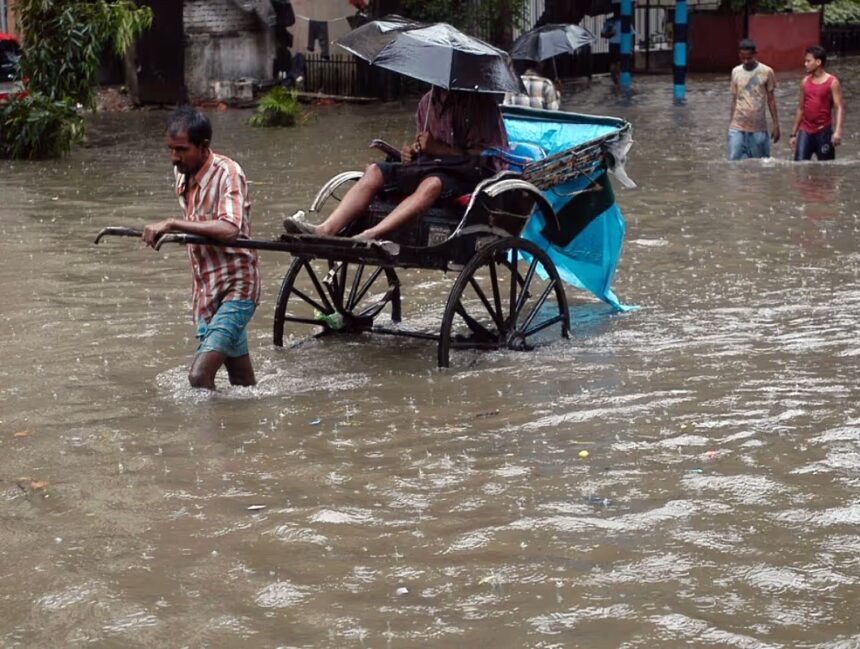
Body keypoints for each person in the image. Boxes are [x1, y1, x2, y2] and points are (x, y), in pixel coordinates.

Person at [283, 87, 508, 241]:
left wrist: (438, 149)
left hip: (467, 174)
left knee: (432, 183)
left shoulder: (481, 105)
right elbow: (423, 146)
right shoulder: (427, 102)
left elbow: (483, 156)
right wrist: (412, 151)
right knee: (374, 171)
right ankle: (325, 229)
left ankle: (372, 234)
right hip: (429, 166)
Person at [142, 107, 261, 390]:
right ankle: (252, 416)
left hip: (237, 287)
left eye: (182, 150)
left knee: (199, 376)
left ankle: (210, 422)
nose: (174, 157)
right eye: (171, 149)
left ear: (204, 146)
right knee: (243, 383)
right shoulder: (182, 174)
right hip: (206, 290)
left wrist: (173, 224)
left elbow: (230, 229)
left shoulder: (228, 173)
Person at [728, 38, 780, 160]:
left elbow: (771, 100)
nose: (746, 61)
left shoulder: (767, 72)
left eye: (749, 58)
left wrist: (776, 124)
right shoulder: (736, 72)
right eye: (743, 58)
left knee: (758, 162)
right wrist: (730, 123)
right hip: (737, 126)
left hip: (758, 126)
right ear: (739, 55)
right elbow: (735, 99)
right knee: (734, 160)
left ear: (755, 54)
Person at [790, 46, 844, 161]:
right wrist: (793, 134)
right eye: (805, 61)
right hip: (805, 130)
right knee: (799, 166)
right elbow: (800, 108)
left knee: (826, 167)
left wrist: (838, 131)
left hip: (823, 131)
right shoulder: (805, 82)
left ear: (818, 62)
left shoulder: (832, 82)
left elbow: (839, 107)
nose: (805, 64)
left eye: (808, 61)